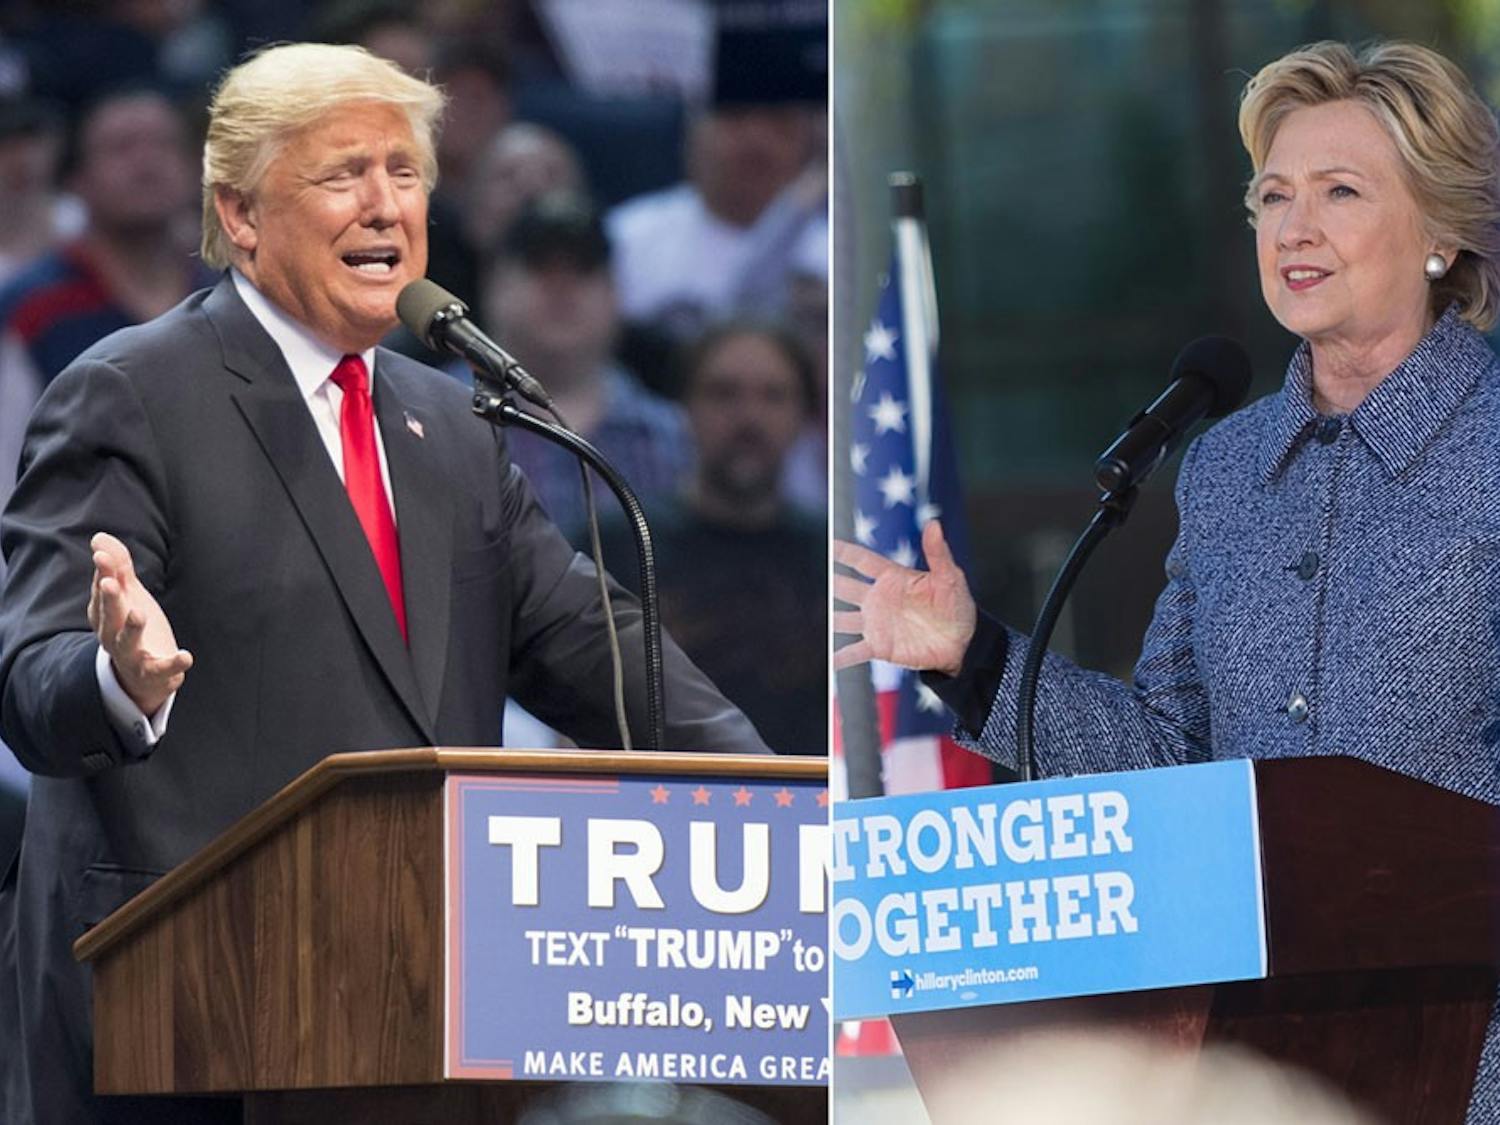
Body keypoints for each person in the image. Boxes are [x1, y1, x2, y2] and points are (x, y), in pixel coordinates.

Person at [0, 43, 766, 1125]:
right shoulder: (129, 393)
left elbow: (591, 638)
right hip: (186, 1032)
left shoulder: (454, 423)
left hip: (411, 1016)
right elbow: (32, 676)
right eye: (341, 174)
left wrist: (784, 799)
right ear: (243, 213)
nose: (385, 206)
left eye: (404, 173)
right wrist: (119, 677)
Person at [834, 40, 1500, 1122]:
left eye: (1340, 191)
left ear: (1443, 230)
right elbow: (1172, 761)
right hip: (1256, 1062)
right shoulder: (1229, 466)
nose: (1294, 227)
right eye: (1273, 195)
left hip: (1467, 1057)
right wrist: (978, 656)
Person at [588, 321, 827, 755]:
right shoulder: (612, 544)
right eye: (724, 393)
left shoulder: (837, 559)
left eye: (774, 395)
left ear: (804, 416)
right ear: (684, 407)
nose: (749, 418)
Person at [477, 192, 692, 533]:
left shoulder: (673, 438)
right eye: (540, 267)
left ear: (614, 294)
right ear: (495, 288)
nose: (562, 288)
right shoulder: (438, 418)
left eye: (583, 270)